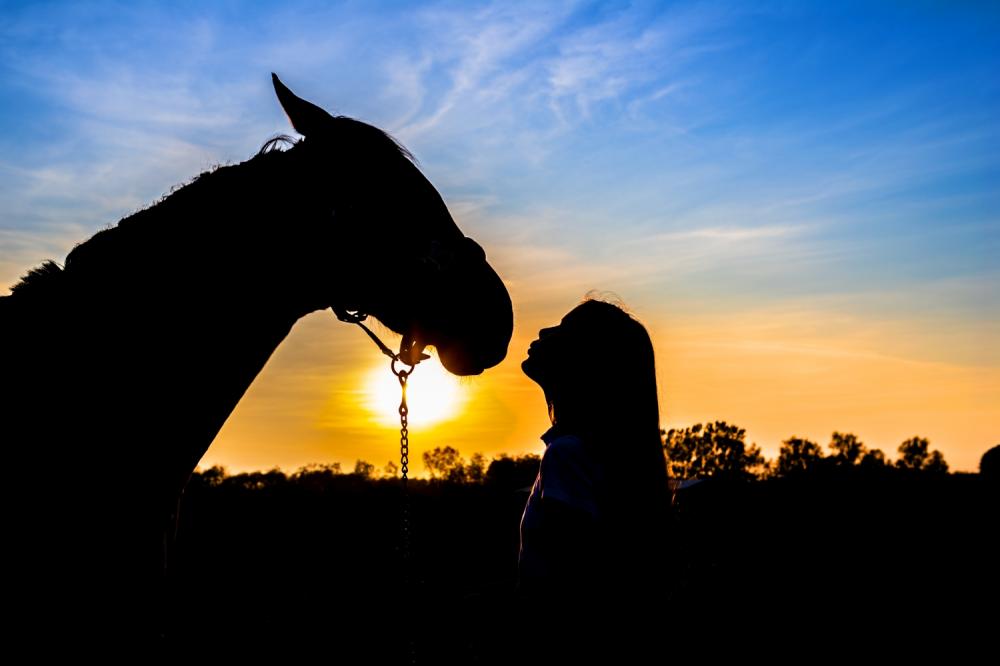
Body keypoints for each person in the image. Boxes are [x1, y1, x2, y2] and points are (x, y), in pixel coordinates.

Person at [516, 297, 672, 658]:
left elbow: (567, 580)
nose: (543, 331)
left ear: (587, 365)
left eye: (564, 330)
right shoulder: (595, 455)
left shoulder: (566, 455)